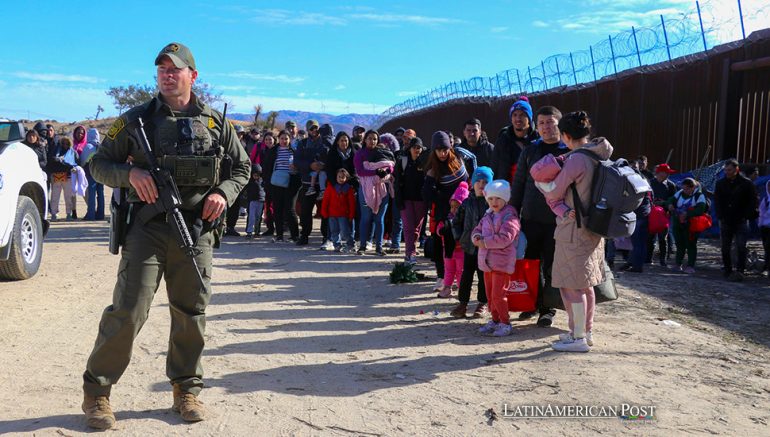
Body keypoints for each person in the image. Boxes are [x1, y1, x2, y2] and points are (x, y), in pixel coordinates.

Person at [81, 42, 250, 429]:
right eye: (161, 69)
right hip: (148, 229)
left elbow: (242, 169)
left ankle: (186, 390)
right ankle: (98, 393)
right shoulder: (137, 119)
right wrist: (130, 176)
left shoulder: (215, 124)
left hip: (196, 231)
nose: (166, 74)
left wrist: (222, 194)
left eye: (175, 68)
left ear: (193, 75)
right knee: (128, 310)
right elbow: (98, 164)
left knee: (191, 312)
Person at [533, 111, 610, 352]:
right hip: (594, 227)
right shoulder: (599, 155)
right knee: (586, 284)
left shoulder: (576, 159)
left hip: (573, 228)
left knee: (570, 286)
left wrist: (542, 186)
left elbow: (555, 190)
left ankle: (577, 337)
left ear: (566, 136)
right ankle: (585, 332)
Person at [510, 106, 568, 327]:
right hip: (531, 217)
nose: (545, 127)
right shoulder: (530, 150)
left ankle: (548, 309)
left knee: (552, 265)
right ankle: (531, 303)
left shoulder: (567, 150)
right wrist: (513, 211)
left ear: (559, 124)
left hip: (557, 220)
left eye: (550, 122)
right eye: (541, 123)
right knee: (530, 262)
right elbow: (519, 183)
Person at [472, 179, 521, 337]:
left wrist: (484, 243)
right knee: (490, 294)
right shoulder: (488, 215)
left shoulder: (510, 216)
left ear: (505, 198)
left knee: (499, 294)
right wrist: (476, 236)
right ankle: (494, 319)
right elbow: (477, 229)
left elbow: (505, 238)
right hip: (487, 262)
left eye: (498, 198)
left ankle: (505, 323)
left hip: (501, 262)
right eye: (491, 198)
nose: (494, 202)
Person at [422, 131, 469, 292]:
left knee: (460, 248)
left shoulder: (458, 163)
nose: (442, 153)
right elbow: (428, 196)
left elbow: (466, 184)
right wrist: (430, 180)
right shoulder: (432, 170)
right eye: (439, 150)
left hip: (461, 213)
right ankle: (442, 277)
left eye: (445, 149)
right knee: (442, 247)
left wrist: (458, 200)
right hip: (442, 214)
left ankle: (460, 278)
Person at [451, 166, 493, 318]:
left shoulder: (492, 203)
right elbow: (456, 222)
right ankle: (463, 303)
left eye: (485, 181)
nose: (481, 184)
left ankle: (482, 303)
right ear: (473, 183)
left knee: (483, 276)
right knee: (466, 275)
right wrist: (460, 237)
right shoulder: (467, 203)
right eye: (478, 181)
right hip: (469, 246)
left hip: (486, 247)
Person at [714, 159, 758, 282]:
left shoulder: (746, 183)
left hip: (741, 220)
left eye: (729, 170)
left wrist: (746, 215)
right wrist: (720, 216)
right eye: (725, 170)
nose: (727, 172)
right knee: (725, 247)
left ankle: (740, 270)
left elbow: (753, 201)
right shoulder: (721, 183)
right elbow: (717, 201)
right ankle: (728, 270)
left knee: (741, 246)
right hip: (726, 220)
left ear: (736, 169)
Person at [355, 130, 394, 255]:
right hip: (366, 189)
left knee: (379, 219)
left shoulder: (381, 152)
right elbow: (360, 171)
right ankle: (362, 246)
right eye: (370, 138)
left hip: (382, 187)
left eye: (375, 139)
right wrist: (375, 172)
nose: (372, 141)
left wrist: (387, 171)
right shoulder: (360, 154)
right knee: (366, 218)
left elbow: (391, 164)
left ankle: (379, 247)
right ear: (365, 139)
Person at [394, 136, 428, 264]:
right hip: (406, 199)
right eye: (414, 147)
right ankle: (410, 253)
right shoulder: (403, 161)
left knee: (416, 228)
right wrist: (398, 199)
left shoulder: (425, 162)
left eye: (419, 147)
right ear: (410, 148)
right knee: (408, 227)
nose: (416, 150)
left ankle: (412, 248)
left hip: (420, 200)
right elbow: (397, 181)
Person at [295, 120, 329, 246]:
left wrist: (322, 166)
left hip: (323, 184)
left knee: (325, 211)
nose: (314, 130)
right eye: (311, 129)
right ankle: (304, 235)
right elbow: (297, 161)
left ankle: (326, 236)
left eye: (316, 128)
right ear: (308, 130)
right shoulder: (302, 144)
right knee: (305, 211)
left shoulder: (326, 142)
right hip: (307, 183)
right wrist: (310, 165)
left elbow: (331, 159)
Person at [262, 130, 301, 242]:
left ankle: (295, 235)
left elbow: (300, 167)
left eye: (286, 139)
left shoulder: (295, 151)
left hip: (292, 183)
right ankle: (279, 234)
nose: (284, 141)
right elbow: (266, 167)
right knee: (277, 209)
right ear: (278, 139)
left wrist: (296, 169)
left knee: (290, 209)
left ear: (290, 139)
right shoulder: (273, 151)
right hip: (276, 183)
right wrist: (267, 182)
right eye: (282, 138)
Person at [666, 178, 708, 274]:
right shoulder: (680, 193)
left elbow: (700, 210)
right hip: (678, 222)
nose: (685, 191)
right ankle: (678, 264)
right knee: (679, 244)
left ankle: (690, 265)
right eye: (683, 188)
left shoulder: (699, 196)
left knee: (691, 244)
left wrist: (687, 214)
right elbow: (670, 200)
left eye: (687, 189)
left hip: (691, 224)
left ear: (693, 187)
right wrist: (670, 205)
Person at [493, 97, 539, 181]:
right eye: (515, 115)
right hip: (507, 188)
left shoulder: (538, 138)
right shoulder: (503, 139)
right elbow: (495, 165)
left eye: (522, 115)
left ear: (529, 118)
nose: (518, 118)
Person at [437, 182, 469, 297]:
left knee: (461, 271)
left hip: (461, 250)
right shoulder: (447, 219)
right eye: (452, 206)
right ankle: (447, 287)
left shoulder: (466, 221)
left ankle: (461, 289)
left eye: (457, 207)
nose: (454, 209)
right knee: (449, 269)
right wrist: (441, 230)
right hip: (449, 249)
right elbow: (439, 229)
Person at [646, 163, 677, 266]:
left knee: (663, 238)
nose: (668, 174)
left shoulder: (671, 185)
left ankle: (663, 260)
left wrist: (665, 203)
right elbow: (646, 197)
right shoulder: (650, 183)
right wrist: (653, 202)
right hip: (652, 214)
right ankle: (648, 258)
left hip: (664, 214)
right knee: (650, 237)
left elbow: (674, 200)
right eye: (666, 172)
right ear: (660, 173)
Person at [321, 168, 357, 252]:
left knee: (345, 231)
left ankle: (350, 244)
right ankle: (336, 245)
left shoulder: (348, 189)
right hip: (332, 214)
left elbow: (351, 203)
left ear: (346, 178)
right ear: (336, 177)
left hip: (343, 214)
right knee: (334, 231)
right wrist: (324, 212)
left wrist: (351, 215)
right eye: (339, 177)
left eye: (343, 177)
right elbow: (325, 201)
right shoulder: (330, 187)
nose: (341, 179)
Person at [379, 133, 403, 254]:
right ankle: (382, 240)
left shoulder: (399, 157)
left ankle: (395, 243)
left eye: (389, 146)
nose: (387, 148)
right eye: (383, 145)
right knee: (383, 216)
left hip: (397, 190)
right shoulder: (378, 157)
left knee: (396, 218)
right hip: (383, 189)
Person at [48, 136, 78, 220]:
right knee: (55, 196)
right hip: (56, 177)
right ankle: (54, 213)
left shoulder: (73, 153)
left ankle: (69, 213)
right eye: (63, 143)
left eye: (67, 143)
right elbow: (52, 161)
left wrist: (62, 163)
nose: (65, 144)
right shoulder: (56, 152)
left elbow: (76, 163)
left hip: (68, 177)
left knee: (68, 197)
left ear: (70, 143)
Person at [81, 128, 105, 221]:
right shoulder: (102, 146)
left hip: (91, 174)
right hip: (102, 174)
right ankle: (100, 215)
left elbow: (83, 161)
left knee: (91, 195)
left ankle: (91, 215)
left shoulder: (88, 147)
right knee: (100, 194)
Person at [244, 164, 265, 239]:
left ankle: (257, 231)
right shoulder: (249, 181)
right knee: (251, 217)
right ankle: (249, 231)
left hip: (261, 201)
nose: (256, 176)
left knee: (258, 217)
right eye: (254, 174)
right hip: (252, 201)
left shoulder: (262, 181)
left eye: (258, 175)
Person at [759, 180, 770, 277]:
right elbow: (761, 214)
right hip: (765, 228)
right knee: (767, 248)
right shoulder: (766, 199)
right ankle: (766, 266)